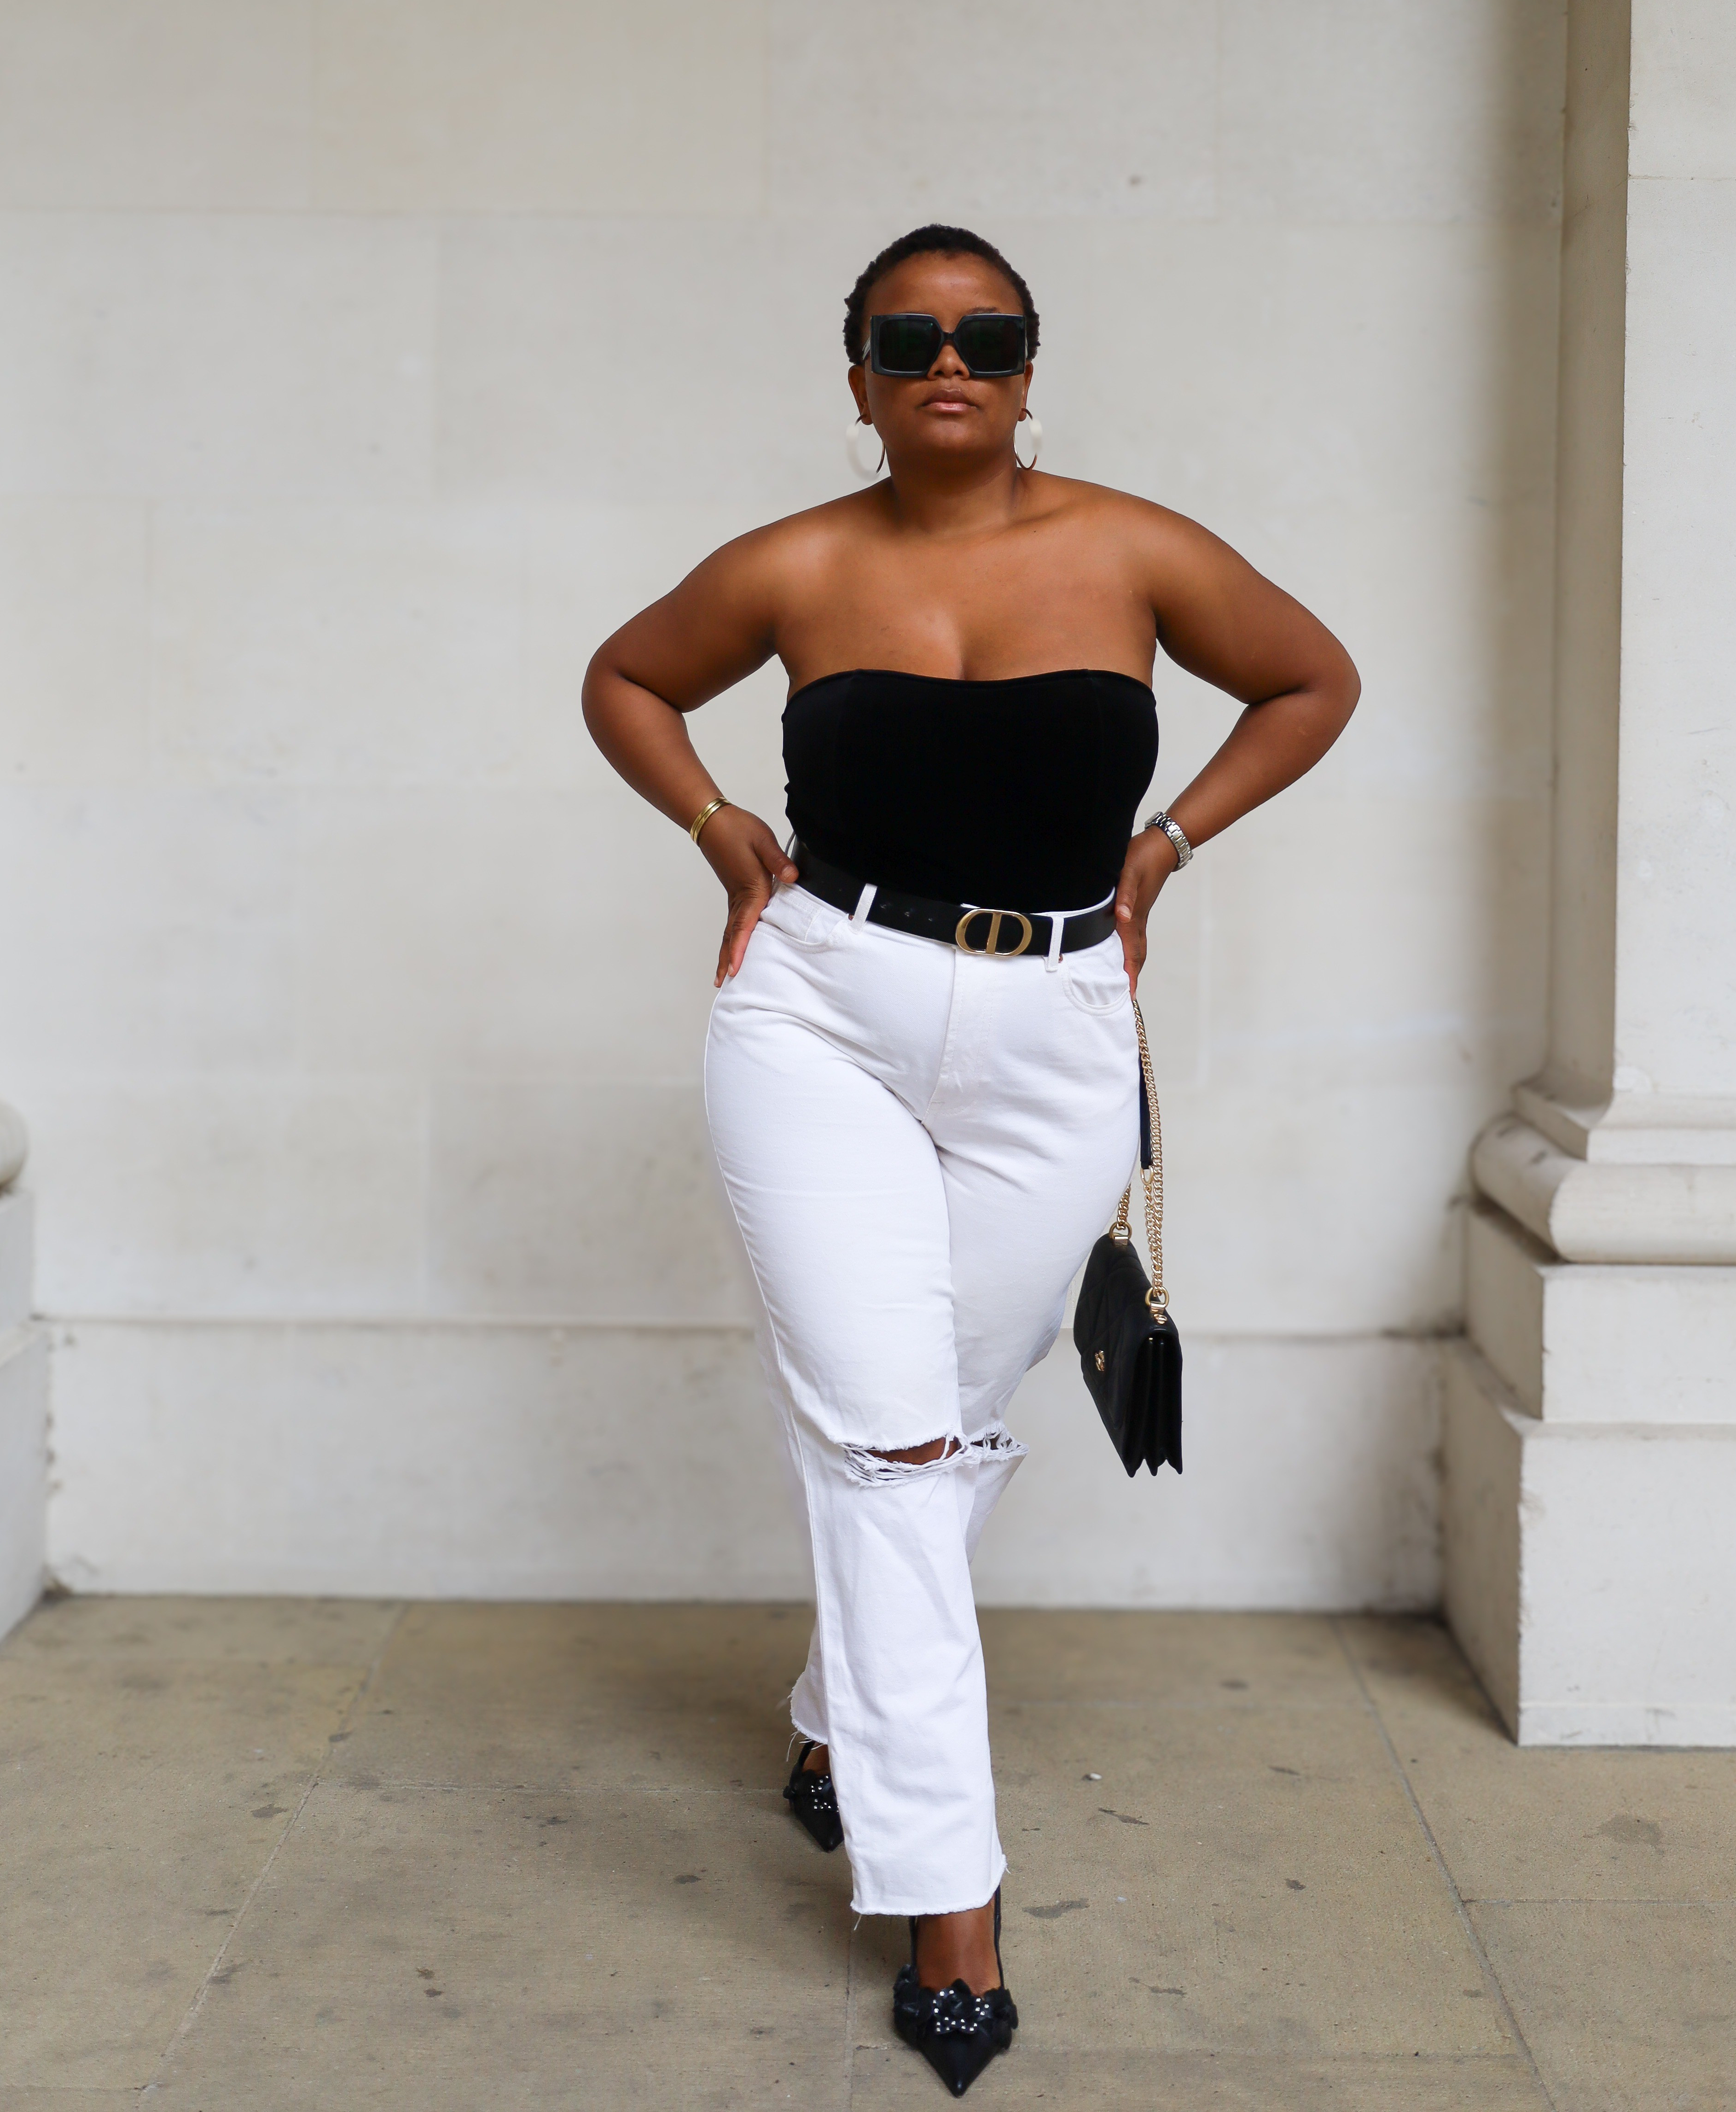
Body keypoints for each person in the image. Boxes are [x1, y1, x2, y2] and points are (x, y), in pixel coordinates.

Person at [582, 224, 1358, 2092]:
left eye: (985, 335)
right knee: (892, 1439)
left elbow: (1310, 681)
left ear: (1028, 370)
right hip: (820, 1012)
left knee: (930, 1403)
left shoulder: (1131, 546)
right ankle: (947, 1898)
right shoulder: (793, 561)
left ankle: (836, 1720)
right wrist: (716, 830)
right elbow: (624, 679)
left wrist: (1163, 844)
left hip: (1057, 1030)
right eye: (905, 335)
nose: (949, 358)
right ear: (852, 373)